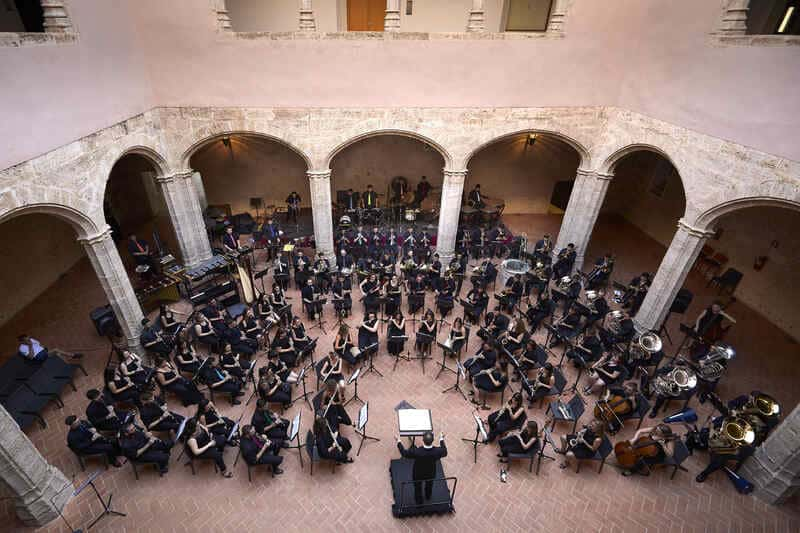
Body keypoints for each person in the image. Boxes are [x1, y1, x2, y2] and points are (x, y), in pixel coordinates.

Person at [396, 430, 447, 505]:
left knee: (417, 487)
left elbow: (404, 453)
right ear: (432, 440)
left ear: (423, 440)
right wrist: (441, 439)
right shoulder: (437, 451)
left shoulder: (417, 451)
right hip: (431, 473)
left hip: (418, 474)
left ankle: (419, 501)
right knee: (429, 485)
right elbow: (445, 452)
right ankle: (428, 496)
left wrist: (399, 441)